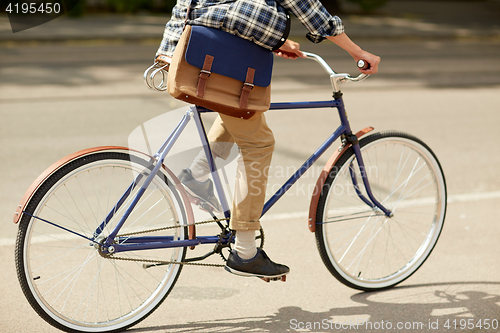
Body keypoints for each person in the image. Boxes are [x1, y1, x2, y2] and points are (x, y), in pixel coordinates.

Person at [155, 0, 381, 280]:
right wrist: (357, 52)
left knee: (240, 110)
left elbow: (226, 8)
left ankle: (196, 176)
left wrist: (278, 41)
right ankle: (246, 252)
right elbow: (308, 9)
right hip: (204, 52)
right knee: (259, 143)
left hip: (185, 46)